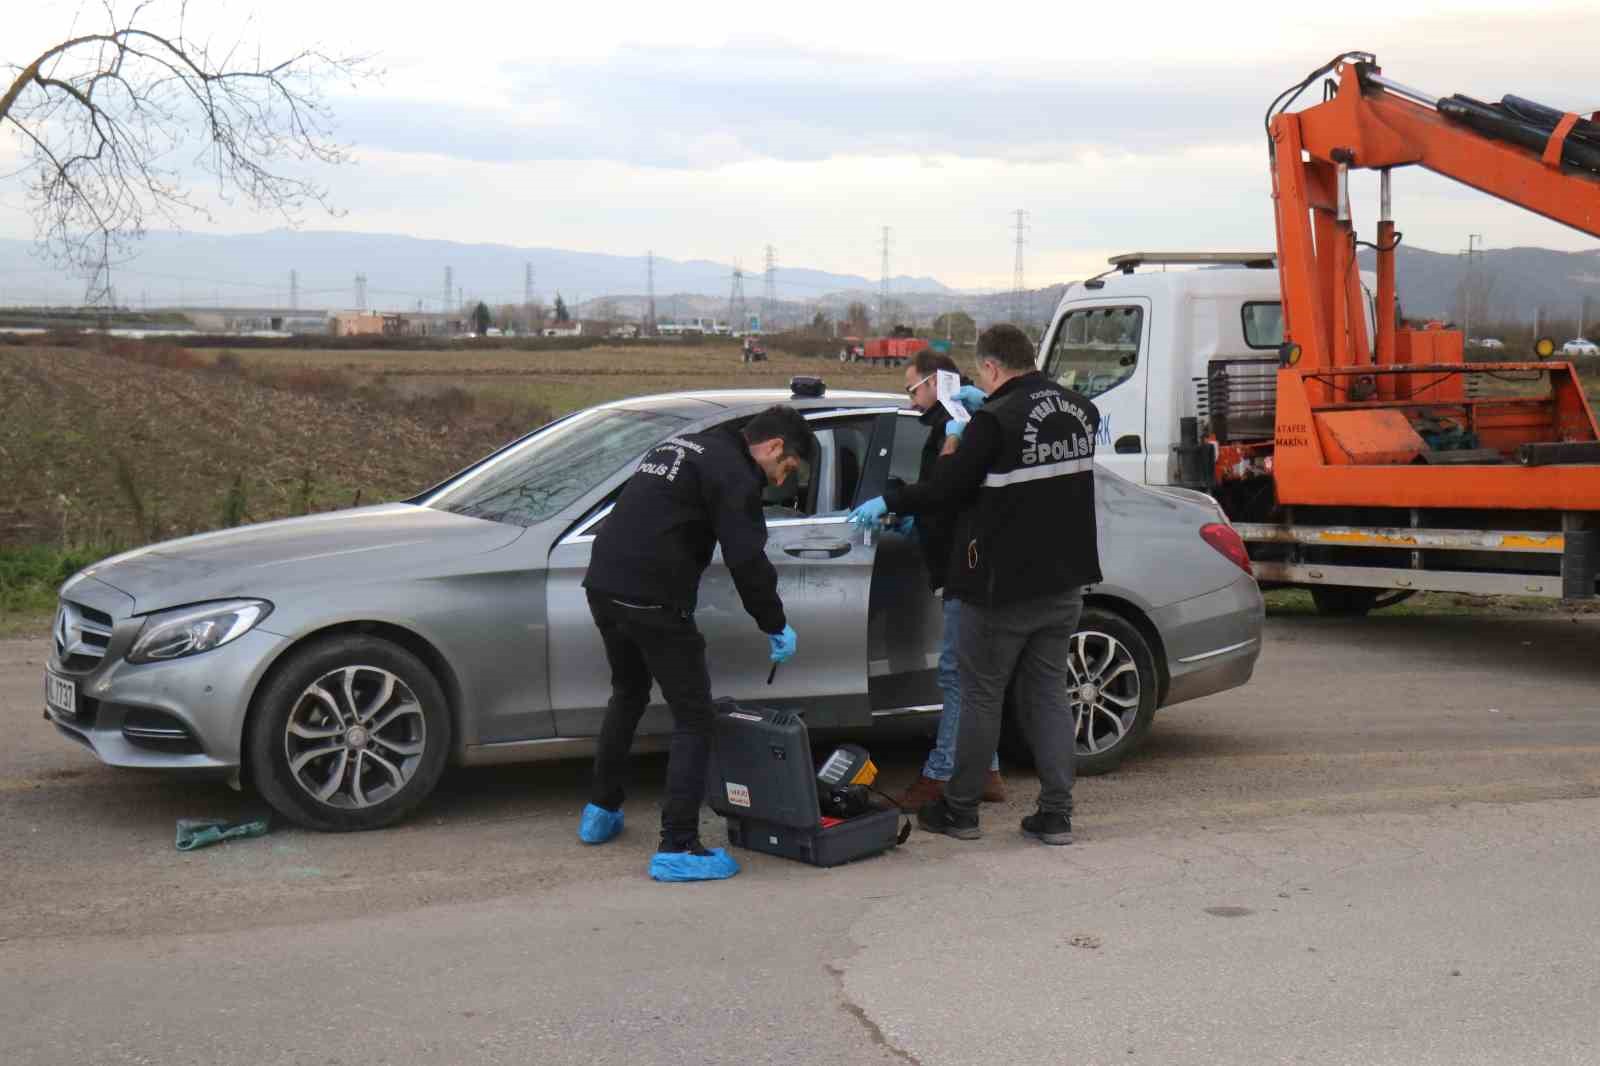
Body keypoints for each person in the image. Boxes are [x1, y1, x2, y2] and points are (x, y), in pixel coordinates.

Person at [851, 324, 1100, 846]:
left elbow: (946, 486)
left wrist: (893, 500)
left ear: (989, 368)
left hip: (1000, 586)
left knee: (980, 696)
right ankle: (1057, 815)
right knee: (1049, 697)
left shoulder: (993, 420)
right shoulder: (1081, 409)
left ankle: (960, 810)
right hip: (1065, 583)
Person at [580, 406, 816, 881]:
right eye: (787, 467)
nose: (780, 480)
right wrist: (774, 623)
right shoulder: (735, 475)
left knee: (628, 693)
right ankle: (679, 846)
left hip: (603, 586)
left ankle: (600, 812)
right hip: (652, 599)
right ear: (773, 447)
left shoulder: (692, 445)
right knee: (695, 718)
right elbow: (747, 560)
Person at [892, 349, 1006, 812]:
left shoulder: (956, 429)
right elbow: (942, 501)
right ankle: (989, 771)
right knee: (971, 674)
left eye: (913, 388)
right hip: (959, 565)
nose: (911, 400)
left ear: (935, 383)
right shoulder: (948, 425)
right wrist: (914, 517)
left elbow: (944, 490)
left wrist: (898, 503)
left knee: (957, 674)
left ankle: (941, 775)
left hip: (967, 568)